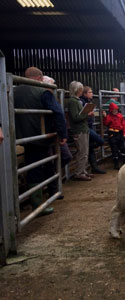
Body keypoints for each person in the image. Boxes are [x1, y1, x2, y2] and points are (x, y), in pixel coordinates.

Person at [14, 67, 68, 215]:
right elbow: (58, 112)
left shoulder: (14, 91)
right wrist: (62, 133)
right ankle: (38, 205)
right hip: (41, 136)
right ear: (40, 78)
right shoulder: (43, 91)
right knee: (37, 168)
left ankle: (50, 194)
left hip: (21, 136)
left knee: (39, 166)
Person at [65, 80, 94, 181]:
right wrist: (87, 114)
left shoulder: (76, 101)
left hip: (83, 128)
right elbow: (75, 117)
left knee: (85, 151)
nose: (82, 91)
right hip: (79, 130)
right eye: (81, 89)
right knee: (82, 152)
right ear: (77, 90)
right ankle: (79, 172)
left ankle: (83, 171)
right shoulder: (73, 102)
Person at [80, 86, 106, 174]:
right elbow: (82, 114)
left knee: (91, 148)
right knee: (101, 141)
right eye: (90, 92)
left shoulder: (87, 102)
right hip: (86, 127)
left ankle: (94, 167)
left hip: (89, 126)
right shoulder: (82, 102)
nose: (92, 94)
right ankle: (87, 149)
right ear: (85, 94)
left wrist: (99, 113)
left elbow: (90, 113)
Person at [102, 102, 125, 170]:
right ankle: (116, 164)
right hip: (112, 134)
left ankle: (123, 162)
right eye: (113, 111)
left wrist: (124, 133)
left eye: (116, 110)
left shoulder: (120, 116)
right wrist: (105, 117)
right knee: (114, 149)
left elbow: (124, 125)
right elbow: (106, 123)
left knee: (123, 147)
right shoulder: (109, 117)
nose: (115, 112)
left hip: (120, 133)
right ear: (111, 111)